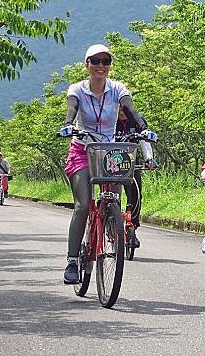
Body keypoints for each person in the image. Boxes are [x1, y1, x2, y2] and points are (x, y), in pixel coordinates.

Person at [60, 44, 156, 284]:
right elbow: (71, 108)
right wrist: (70, 124)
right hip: (82, 149)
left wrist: (144, 130)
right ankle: (72, 260)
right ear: (87, 64)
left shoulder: (118, 89)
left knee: (112, 198)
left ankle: (109, 224)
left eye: (105, 61)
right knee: (82, 204)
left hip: (109, 153)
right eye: (95, 61)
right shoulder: (78, 89)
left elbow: (130, 109)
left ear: (110, 66)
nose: (100, 66)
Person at [115, 106, 158, 249]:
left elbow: (145, 142)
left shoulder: (137, 121)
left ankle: (132, 226)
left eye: (124, 106)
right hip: (111, 163)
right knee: (111, 195)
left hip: (132, 162)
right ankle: (110, 224)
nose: (121, 110)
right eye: (118, 106)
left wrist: (149, 159)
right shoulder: (108, 120)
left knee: (136, 195)